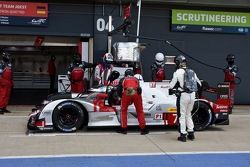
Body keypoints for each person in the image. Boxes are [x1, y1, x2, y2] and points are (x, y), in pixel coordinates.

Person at [169, 55, 201, 142]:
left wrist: (175, 89)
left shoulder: (177, 72)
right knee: (188, 114)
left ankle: (183, 135)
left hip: (183, 95)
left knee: (182, 115)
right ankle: (191, 133)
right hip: (192, 95)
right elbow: (199, 84)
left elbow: (171, 85)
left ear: (178, 63)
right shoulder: (192, 71)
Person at [117, 69, 149, 135]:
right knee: (140, 111)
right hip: (136, 92)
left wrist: (121, 97)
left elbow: (119, 90)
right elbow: (140, 90)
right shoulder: (136, 79)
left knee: (123, 111)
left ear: (125, 74)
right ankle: (143, 129)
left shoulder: (123, 79)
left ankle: (124, 129)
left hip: (126, 91)